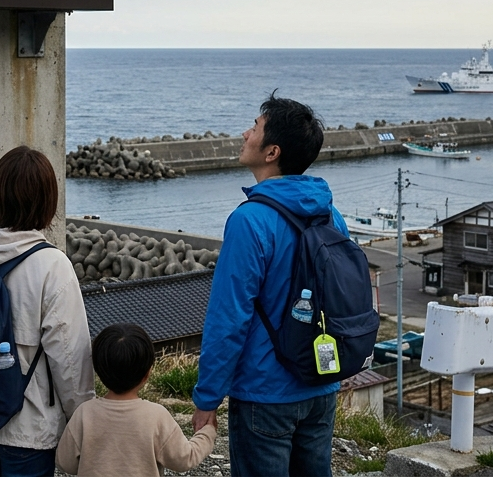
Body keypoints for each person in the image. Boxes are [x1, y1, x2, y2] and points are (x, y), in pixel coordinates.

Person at [189, 94, 346, 477]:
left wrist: (207, 398)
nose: (245, 133)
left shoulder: (250, 221)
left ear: (272, 151)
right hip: (321, 384)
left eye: (255, 128)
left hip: (265, 392)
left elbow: (229, 319)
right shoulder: (330, 213)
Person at [0, 146, 95, 476]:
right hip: (28, 430)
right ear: (45, 202)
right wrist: (83, 424)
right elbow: (69, 358)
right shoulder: (51, 265)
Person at [56, 323, 215, 476]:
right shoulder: (156, 415)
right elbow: (184, 459)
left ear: (98, 371)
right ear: (147, 373)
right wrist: (207, 432)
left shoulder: (84, 413)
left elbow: (65, 463)